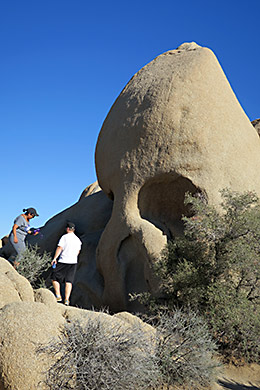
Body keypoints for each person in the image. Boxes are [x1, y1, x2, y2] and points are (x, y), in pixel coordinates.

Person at [51, 222, 82, 305]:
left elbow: (60, 247)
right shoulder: (77, 240)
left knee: (54, 278)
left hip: (63, 260)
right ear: (73, 230)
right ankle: (67, 299)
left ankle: (58, 296)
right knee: (69, 281)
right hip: (73, 262)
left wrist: (55, 258)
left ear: (67, 229)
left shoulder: (64, 237)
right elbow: (78, 252)